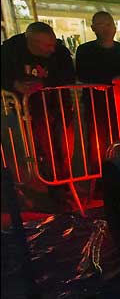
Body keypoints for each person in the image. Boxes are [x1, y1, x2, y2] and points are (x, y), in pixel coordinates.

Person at [1, 22, 76, 186]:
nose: (52, 49)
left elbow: (69, 76)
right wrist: (15, 85)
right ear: (32, 42)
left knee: (63, 145)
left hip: (58, 105)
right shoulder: (10, 50)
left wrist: (45, 84)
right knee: (36, 146)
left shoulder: (60, 52)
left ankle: (62, 179)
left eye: (53, 43)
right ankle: (44, 181)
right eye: (47, 45)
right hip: (27, 109)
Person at [75, 11, 120, 174]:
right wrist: (112, 79)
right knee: (97, 141)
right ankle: (98, 175)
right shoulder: (85, 51)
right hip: (96, 104)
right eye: (100, 25)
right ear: (93, 28)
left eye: (108, 24)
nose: (105, 29)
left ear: (114, 27)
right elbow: (83, 75)